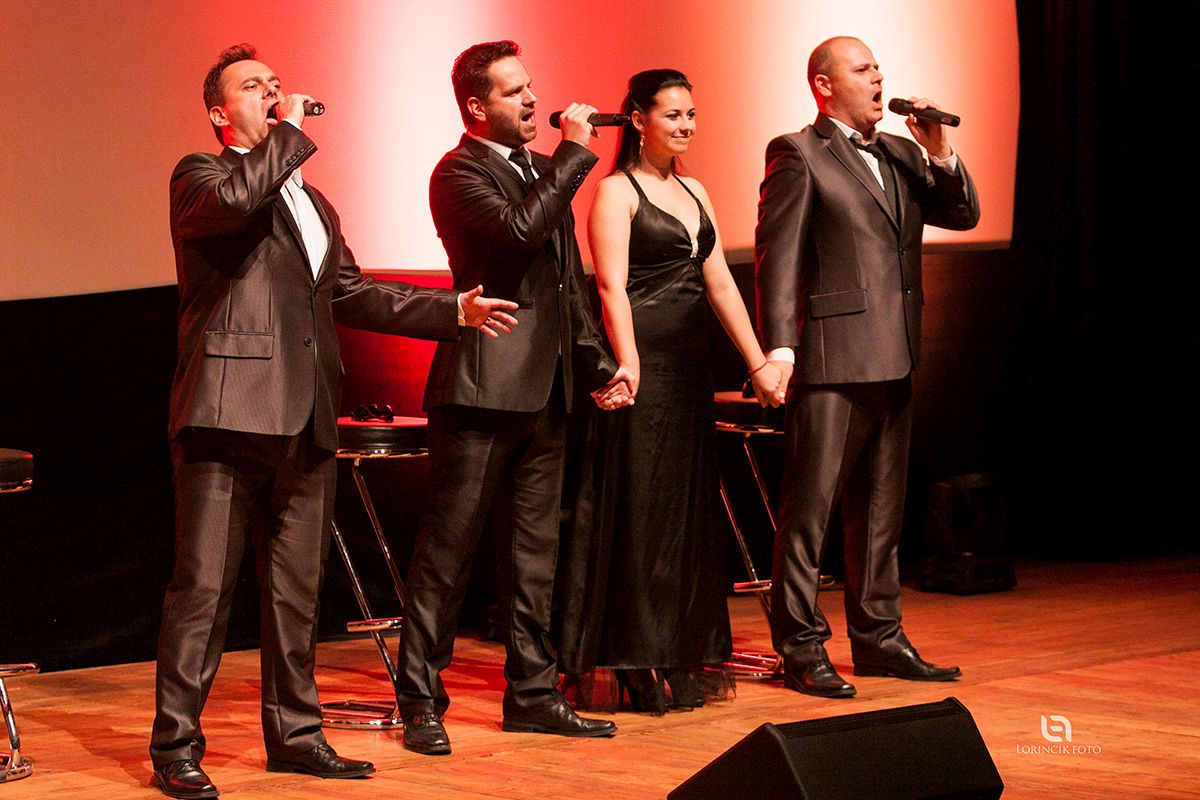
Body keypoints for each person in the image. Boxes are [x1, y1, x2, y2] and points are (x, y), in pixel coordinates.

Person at [150, 43, 518, 799]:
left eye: (276, 84)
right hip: (227, 411)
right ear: (220, 113)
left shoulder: (312, 203)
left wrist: (450, 311)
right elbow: (234, 206)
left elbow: (352, 291)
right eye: (253, 87)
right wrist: (288, 131)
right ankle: (176, 747)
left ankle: (296, 735)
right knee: (203, 591)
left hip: (308, 411)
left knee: (296, 591)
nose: (272, 92)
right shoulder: (202, 176)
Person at [392, 40, 632, 757]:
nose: (532, 100)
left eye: (530, 87)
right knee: (448, 555)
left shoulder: (540, 170)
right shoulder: (458, 172)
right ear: (476, 106)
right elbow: (520, 233)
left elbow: (565, 284)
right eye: (512, 91)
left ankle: (532, 694)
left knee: (535, 554)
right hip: (481, 387)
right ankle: (420, 700)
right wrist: (575, 156)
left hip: (547, 387)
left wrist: (597, 364)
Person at [754, 36, 981, 699]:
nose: (879, 77)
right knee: (809, 513)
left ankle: (879, 638)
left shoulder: (904, 153)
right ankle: (800, 647)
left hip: (896, 352)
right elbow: (777, 258)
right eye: (863, 69)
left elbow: (962, 214)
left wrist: (940, 150)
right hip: (832, 358)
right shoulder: (797, 152)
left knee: (881, 512)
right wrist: (780, 349)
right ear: (824, 85)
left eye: (879, 67)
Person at [554, 69, 784, 714]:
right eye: (673, 115)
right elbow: (610, 288)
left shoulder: (695, 189)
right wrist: (627, 363)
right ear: (638, 120)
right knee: (640, 510)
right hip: (645, 365)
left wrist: (758, 361)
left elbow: (721, 284)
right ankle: (632, 656)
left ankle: (678, 650)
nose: (686, 125)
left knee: (684, 515)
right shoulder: (614, 192)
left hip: (689, 369)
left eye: (691, 114)